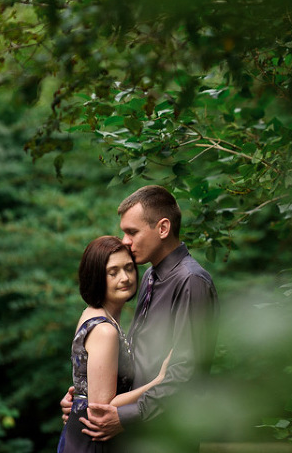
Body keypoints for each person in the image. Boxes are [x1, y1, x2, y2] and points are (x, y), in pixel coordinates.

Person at [60, 185, 220, 451]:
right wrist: (84, 400)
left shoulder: (191, 281)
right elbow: (135, 359)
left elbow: (185, 373)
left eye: (132, 232)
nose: (125, 240)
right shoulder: (148, 276)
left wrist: (123, 416)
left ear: (163, 228)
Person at [58, 235, 171, 452]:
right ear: (97, 277)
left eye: (129, 268)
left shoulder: (93, 313)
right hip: (92, 440)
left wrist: (77, 400)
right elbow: (101, 407)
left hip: (82, 434)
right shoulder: (105, 330)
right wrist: (159, 381)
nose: (125, 277)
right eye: (113, 272)